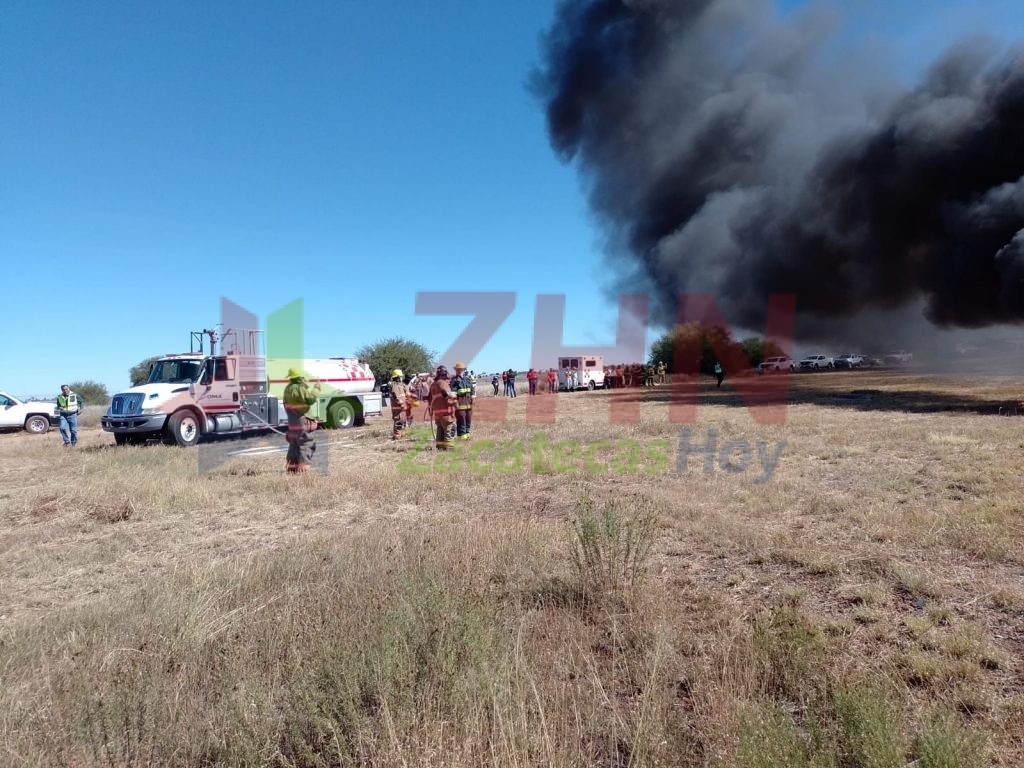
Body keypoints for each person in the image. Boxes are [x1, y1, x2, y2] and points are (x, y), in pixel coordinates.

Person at [283, 368, 320, 473]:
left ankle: (291, 469)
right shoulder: (299, 388)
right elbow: (311, 399)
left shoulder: (287, 388)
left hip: (292, 421)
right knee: (306, 444)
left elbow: (285, 404)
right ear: (299, 378)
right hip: (301, 420)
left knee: (294, 444)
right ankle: (304, 471)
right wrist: (317, 387)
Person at [428, 365, 457, 451]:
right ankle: (449, 447)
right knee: (449, 428)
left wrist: (431, 410)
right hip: (446, 413)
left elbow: (430, 399)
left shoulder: (433, 384)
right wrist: (456, 404)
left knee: (440, 429)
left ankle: (440, 447)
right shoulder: (443, 383)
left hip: (437, 413)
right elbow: (449, 396)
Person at [450, 362, 476, 439]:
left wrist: (473, 399)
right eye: (458, 369)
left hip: (468, 403)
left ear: (464, 370)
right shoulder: (454, 381)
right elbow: (452, 393)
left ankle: (467, 434)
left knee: (468, 418)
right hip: (460, 404)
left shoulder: (467, 379)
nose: (459, 371)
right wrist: (455, 403)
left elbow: (472, 390)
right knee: (462, 419)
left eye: (461, 369)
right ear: (456, 370)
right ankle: (461, 436)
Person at [388, 368, 414, 440]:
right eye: (400, 376)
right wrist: (401, 403)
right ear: (397, 376)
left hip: (400, 406)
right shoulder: (395, 384)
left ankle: (398, 434)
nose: (401, 377)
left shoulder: (399, 384)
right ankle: (397, 435)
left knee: (400, 419)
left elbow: (404, 393)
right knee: (398, 420)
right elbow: (396, 395)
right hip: (397, 406)